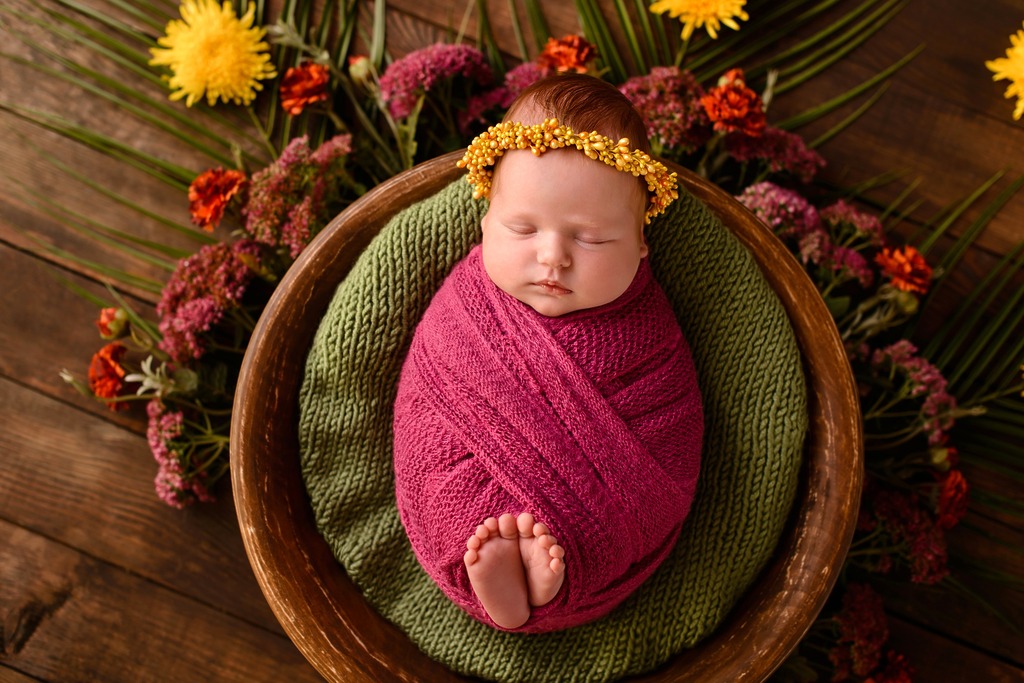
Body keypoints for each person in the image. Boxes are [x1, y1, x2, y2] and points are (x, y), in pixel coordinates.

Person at [393, 73, 703, 632]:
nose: (553, 257)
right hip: (479, 476)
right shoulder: (468, 304)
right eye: (523, 228)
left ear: (639, 244)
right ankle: (501, 576)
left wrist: (563, 496)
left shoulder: (648, 333)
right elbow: (430, 380)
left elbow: (671, 411)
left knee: (648, 487)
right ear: (486, 222)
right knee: (441, 469)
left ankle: (544, 580)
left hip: (597, 516)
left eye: (591, 239)